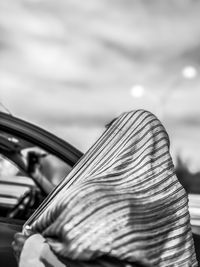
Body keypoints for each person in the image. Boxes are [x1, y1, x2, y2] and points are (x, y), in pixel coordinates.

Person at [12, 110, 197, 266]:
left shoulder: (92, 194)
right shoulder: (175, 197)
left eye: (109, 138)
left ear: (118, 144)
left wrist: (30, 246)